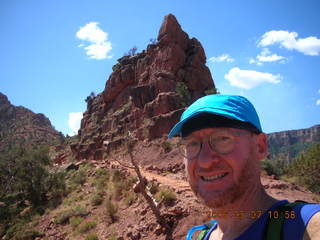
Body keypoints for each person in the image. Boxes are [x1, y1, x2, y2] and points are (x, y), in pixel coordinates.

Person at [168, 94, 320, 240]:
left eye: (223, 139)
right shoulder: (201, 235)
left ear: (260, 146)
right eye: (192, 144)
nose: (205, 161)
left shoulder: (303, 225)